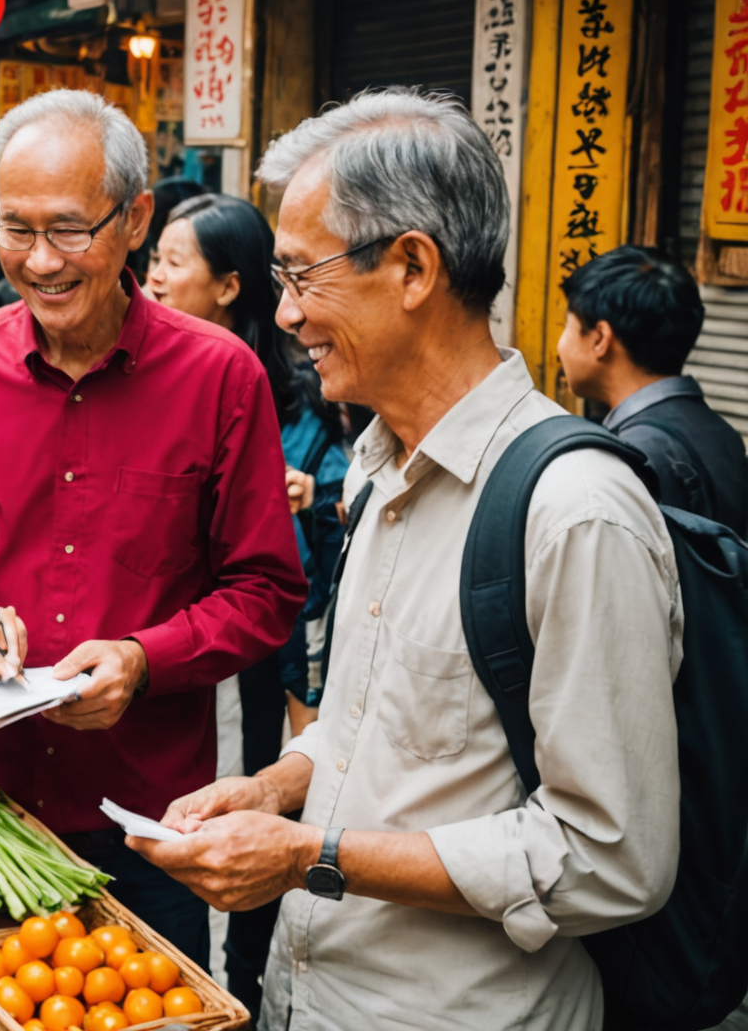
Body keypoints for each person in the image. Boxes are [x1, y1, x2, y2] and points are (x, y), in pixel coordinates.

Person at [131, 89, 682, 1031]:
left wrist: (312, 856)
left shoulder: (575, 512)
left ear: (413, 268)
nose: (288, 315)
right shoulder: (380, 473)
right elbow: (374, 726)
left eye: (302, 276)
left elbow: (610, 859)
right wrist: (275, 786)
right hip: (314, 996)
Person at [0, 89, 307, 967]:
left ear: (136, 218)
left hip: (142, 821)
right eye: (14, 230)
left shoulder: (222, 377)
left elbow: (265, 591)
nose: (40, 261)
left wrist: (144, 661)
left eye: (70, 229)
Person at [143, 191, 347, 1012]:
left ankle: (250, 974)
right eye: (151, 258)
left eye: (170, 262)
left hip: (278, 641)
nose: (152, 276)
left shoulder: (306, 386)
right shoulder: (157, 376)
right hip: (192, 636)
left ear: (230, 286)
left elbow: (344, 496)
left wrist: (307, 494)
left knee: (265, 784)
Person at [558, 245, 748, 534]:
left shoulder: (633, 457)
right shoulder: (722, 433)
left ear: (600, 338)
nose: (559, 345)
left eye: (567, 325)